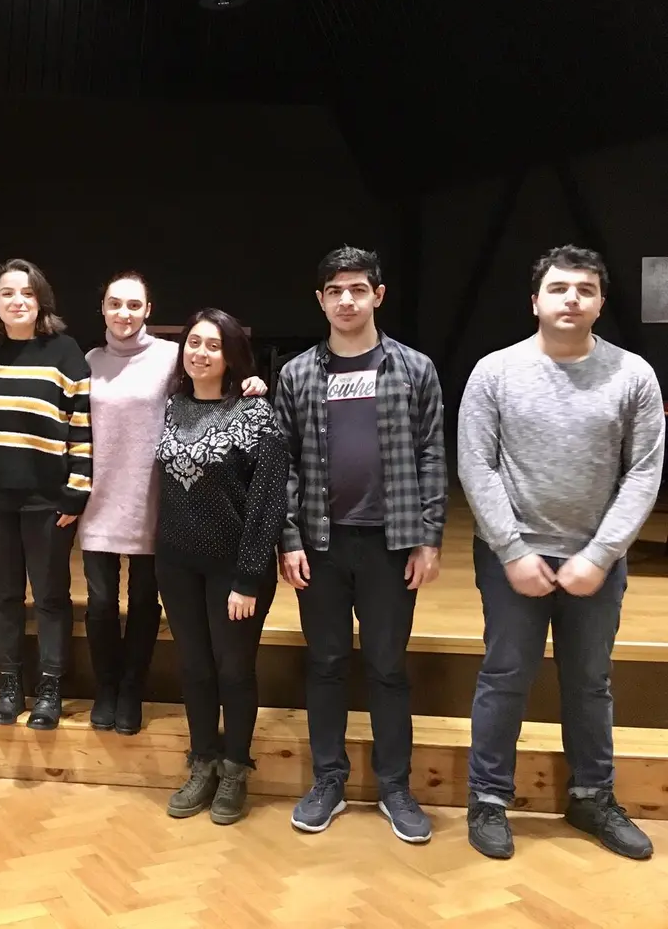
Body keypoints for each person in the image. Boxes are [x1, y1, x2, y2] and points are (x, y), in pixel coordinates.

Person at [458, 245, 663, 862]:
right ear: (535, 301)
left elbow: (644, 472)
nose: (571, 298)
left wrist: (600, 555)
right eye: (558, 288)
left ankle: (592, 797)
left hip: (596, 562)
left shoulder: (633, 375)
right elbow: (476, 464)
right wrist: (512, 550)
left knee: (590, 681)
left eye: (585, 289)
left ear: (601, 303)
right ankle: (487, 799)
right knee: (504, 676)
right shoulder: (495, 371)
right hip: (511, 558)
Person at [275, 245, 445, 844]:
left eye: (357, 289)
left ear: (378, 295)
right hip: (320, 545)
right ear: (320, 300)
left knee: (388, 667)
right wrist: (288, 538)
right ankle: (329, 780)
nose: (345, 300)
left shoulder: (414, 368)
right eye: (334, 291)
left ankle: (395, 787)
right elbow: (284, 464)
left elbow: (432, 453)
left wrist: (428, 537)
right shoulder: (297, 374)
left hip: (390, 545)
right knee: (324, 664)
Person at [79, 272, 266, 735]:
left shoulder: (170, 357)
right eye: (114, 303)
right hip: (101, 499)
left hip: (156, 501)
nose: (124, 313)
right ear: (102, 308)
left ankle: (131, 691)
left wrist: (251, 381)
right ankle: (106, 688)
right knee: (100, 603)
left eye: (134, 305)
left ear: (148, 310)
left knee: (144, 602)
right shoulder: (90, 361)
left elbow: (214, 382)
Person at [155, 309, 289, 825]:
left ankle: (235, 768)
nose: (201, 353)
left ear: (231, 356)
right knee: (194, 668)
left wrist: (248, 579)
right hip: (177, 567)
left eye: (213, 345)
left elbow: (267, 504)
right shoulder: (173, 406)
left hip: (235, 572)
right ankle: (202, 762)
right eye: (194, 343)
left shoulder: (257, 415)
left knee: (233, 670)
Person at [0, 259, 91, 731]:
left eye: (26, 293)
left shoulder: (64, 351)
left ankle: (50, 688)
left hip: (47, 498)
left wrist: (77, 491)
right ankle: (10, 686)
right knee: (3, 597)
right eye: (7, 293)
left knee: (50, 597)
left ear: (41, 300)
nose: (17, 301)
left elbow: (82, 425)